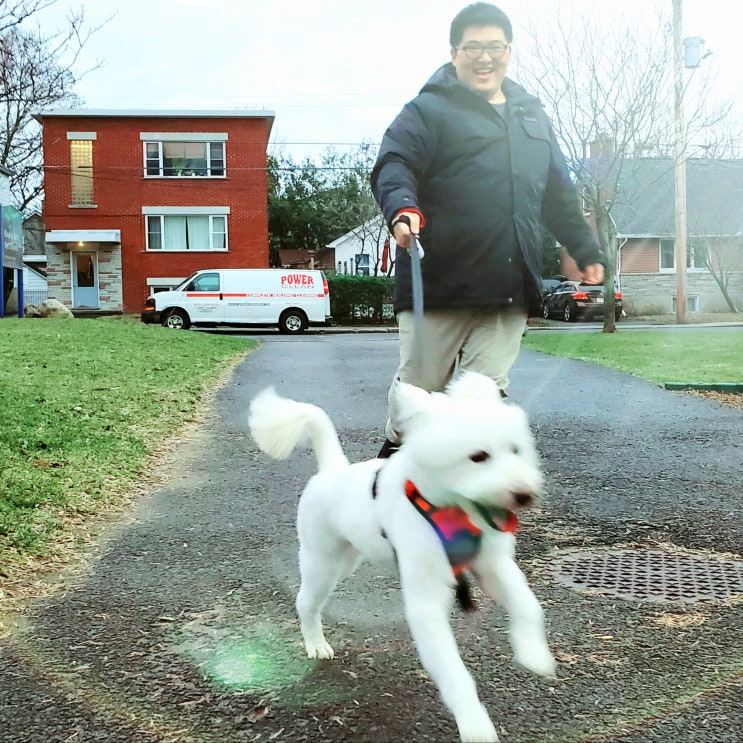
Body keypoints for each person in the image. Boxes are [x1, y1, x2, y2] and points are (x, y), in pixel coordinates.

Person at [371, 2, 604, 458]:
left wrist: (587, 250)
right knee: (416, 405)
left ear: (508, 51)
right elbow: (394, 163)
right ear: (454, 53)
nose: (484, 57)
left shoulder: (531, 117)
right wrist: (403, 208)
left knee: (480, 406)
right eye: (472, 47)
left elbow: (558, 194)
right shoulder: (428, 110)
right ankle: (387, 495)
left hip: (507, 287)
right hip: (438, 285)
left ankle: (460, 515)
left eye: (494, 47)